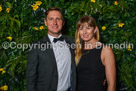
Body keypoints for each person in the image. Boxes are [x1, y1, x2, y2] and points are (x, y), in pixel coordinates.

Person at [26, 7, 76, 91]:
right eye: (51, 19)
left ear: (63, 22)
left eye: (58, 19)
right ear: (45, 22)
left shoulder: (72, 43)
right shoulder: (36, 46)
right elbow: (31, 77)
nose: (55, 22)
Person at [75, 16, 116, 91]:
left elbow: (112, 84)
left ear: (95, 30)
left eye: (88, 28)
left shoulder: (105, 50)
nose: (84, 32)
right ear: (78, 31)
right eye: (81, 29)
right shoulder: (75, 51)